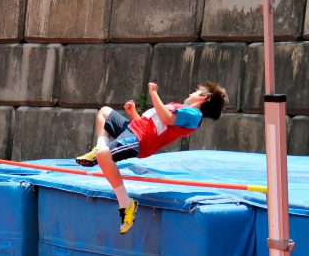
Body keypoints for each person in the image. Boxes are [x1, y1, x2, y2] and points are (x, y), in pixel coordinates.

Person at [76, 81, 228, 234]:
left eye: (195, 92)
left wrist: (154, 93)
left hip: (141, 140)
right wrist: (133, 114)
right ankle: (99, 147)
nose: (190, 94)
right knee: (104, 111)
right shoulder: (180, 107)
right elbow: (152, 123)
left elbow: (167, 118)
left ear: (203, 97)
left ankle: (126, 204)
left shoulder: (195, 115)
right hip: (135, 130)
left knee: (104, 155)